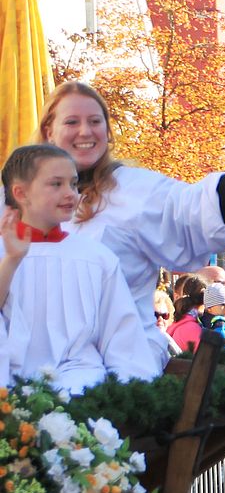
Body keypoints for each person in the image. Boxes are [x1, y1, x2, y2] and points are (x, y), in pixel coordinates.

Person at [34, 81, 225, 369]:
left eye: (95, 121)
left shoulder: (133, 190)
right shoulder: (16, 200)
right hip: (34, 364)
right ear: (49, 130)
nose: (85, 131)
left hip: (116, 366)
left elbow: (194, 212)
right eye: (72, 121)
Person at [0, 143, 153, 394]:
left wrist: (128, 395)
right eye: (56, 184)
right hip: (10, 391)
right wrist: (12, 260)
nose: (70, 193)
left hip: (82, 388)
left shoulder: (96, 257)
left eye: (73, 183)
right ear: (20, 193)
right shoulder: (4, 254)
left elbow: (122, 337)